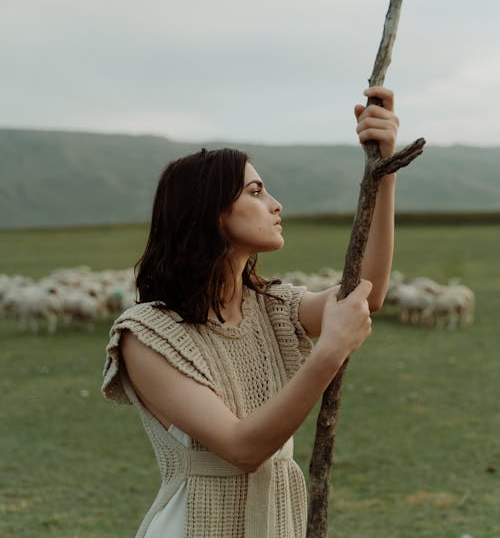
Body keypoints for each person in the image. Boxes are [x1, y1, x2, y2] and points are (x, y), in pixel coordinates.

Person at [102, 86, 399, 538]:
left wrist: (384, 172)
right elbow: (242, 448)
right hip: (194, 527)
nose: (275, 205)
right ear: (211, 212)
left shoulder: (272, 307)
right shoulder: (146, 335)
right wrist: (329, 352)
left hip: (277, 521)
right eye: (256, 192)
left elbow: (366, 294)